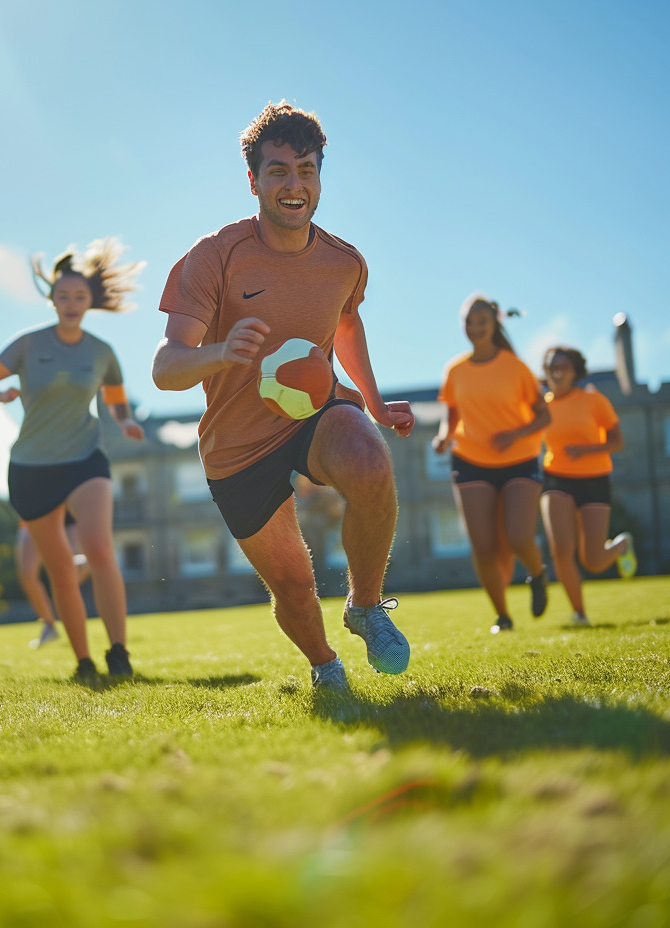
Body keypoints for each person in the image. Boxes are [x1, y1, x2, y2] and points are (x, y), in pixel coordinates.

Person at [152, 101, 415, 694]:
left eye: (306, 170)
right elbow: (166, 368)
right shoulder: (215, 256)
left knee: (371, 463)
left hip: (314, 409)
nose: (293, 186)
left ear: (320, 176)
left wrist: (372, 402)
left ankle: (366, 606)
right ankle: (325, 666)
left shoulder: (345, 262)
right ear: (253, 181)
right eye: (277, 172)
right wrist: (219, 354)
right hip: (236, 444)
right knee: (294, 585)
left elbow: (346, 326)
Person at [0, 238, 144, 683]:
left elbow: (117, 402)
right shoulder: (27, 345)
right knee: (62, 571)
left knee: (99, 547)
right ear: (51, 298)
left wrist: (124, 423)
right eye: (63, 296)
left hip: (85, 458)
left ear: (90, 302)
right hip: (31, 468)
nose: (71, 304)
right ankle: (84, 661)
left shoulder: (102, 352)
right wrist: (1, 392)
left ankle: (119, 652)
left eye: (79, 297)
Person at [432, 294, 551, 634]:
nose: (475, 327)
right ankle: (502, 616)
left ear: (494, 323)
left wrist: (515, 434)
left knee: (516, 537)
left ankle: (537, 573)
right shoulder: (455, 369)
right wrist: (444, 437)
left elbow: (544, 416)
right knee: (483, 546)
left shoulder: (516, 367)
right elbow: (451, 414)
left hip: (519, 460)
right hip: (471, 460)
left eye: (482, 321)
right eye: (470, 321)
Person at [537, 346, 636, 626]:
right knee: (560, 548)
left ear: (574, 371)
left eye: (563, 366)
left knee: (592, 559)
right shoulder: (541, 405)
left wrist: (586, 450)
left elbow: (617, 442)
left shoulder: (593, 400)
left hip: (594, 478)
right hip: (555, 476)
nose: (556, 371)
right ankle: (579, 613)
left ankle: (620, 545)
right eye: (551, 366)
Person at [17, 517, 90, 649]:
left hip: (66, 518)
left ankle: (77, 631)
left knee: (72, 569)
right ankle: (49, 625)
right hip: (33, 516)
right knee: (27, 574)